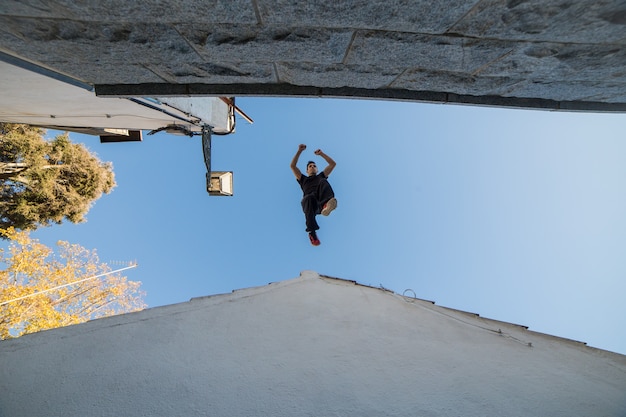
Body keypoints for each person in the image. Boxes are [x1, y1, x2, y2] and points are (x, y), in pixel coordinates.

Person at [290, 144, 338, 246]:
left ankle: (327, 204)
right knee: (308, 197)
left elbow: (332, 164)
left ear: (316, 169)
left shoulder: (320, 176)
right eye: (310, 166)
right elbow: (292, 166)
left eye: (314, 166)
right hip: (310, 205)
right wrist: (299, 151)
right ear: (307, 170)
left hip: (321, 204)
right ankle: (312, 233)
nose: (312, 167)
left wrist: (321, 154)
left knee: (323, 181)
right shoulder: (303, 179)